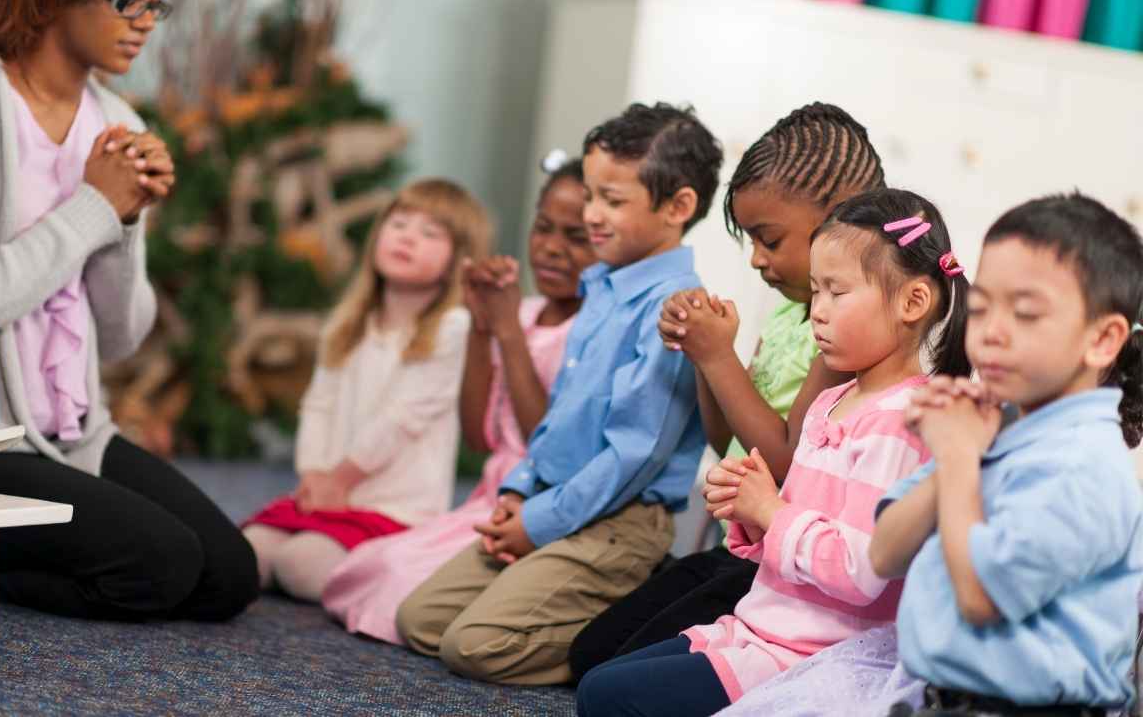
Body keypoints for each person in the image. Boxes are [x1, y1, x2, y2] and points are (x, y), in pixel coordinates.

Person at [577, 188, 971, 716]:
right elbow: (793, 547)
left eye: (837, 292)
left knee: (608, 698)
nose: (819, 315)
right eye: (815, 293)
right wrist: (749, 509)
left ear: (912, 302)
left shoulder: (904, 422)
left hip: (812, 656)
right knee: (602, 679)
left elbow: (860, 572)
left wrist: (771, 510)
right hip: (761, 627)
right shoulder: (831, 401)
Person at [0, 0, 260, 622]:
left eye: (155, 4)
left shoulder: (118, 120)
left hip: (72, 433)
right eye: (126, 0)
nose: (144, 20)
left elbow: (119, 338)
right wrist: (96, 206)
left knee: (227, 576)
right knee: (160, 564)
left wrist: (126, 218)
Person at [395, 102, 722, 685]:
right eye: (592, 195)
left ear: (678, 208)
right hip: (555, 497)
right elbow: (558, 420)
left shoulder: (676, 309)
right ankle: (577, 590)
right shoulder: (601, 286)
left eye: (612, 202)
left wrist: (539, 523)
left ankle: (630, 623)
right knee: (420, 620)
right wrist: (522, 491)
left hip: (619, 518)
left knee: (473, 646)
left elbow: (632, 459)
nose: (593, 216)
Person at [570, 102, 883, 679]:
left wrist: (718, 356)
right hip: (738, 548)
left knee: (610, 671)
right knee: (594, 652)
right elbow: (729, 445)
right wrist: (705, 354)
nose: (758, 260)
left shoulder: (843, 331)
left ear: (838, 219)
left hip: (789, 570)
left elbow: (785, 459)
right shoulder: (793, 311)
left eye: (769, 239)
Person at [871, 193, 1143, 716]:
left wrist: (955, 457)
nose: (991, 332)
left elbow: (980, 598)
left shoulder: (1084, 464)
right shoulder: (993, 426)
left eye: (1024, 313)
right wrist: (960, 449)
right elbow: (885, 553)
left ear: (1103, 339)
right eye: (981, 308)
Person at [319, 157, 595, 641]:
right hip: (486, 500)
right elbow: (478, 435)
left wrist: (506, 331)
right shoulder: (525, 312)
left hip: (537, 508)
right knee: (370, 566)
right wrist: (480, 325)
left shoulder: (586, 331)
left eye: (575, 238)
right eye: (543, 228)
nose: (551, 249)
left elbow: (545, 446)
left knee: (400, 586)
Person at [242, 179, 491, 602]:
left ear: (457, 261)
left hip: (392, 507)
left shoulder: (453, 329)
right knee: (247, 554)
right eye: (399, 224)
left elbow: (402, 418)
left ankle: (398, 575)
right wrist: (314, 476)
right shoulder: (348, 323)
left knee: (299, 567)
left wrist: (341, 479)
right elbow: (318, 404)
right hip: (327, 493)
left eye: (430, 233)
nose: (408, 237)